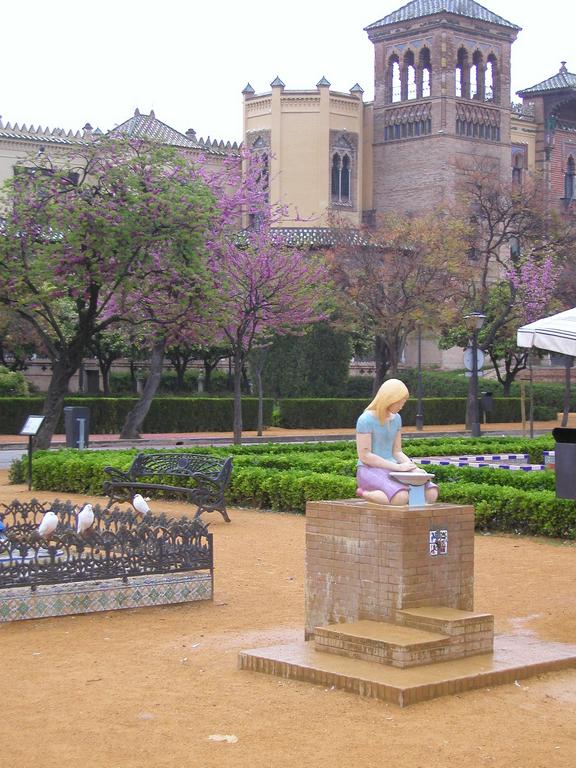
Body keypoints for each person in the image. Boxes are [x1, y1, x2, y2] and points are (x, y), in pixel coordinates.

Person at [356, 378, 438, 505]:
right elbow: (365, 456)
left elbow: (397, 451)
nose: (401, 406)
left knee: (431, 494)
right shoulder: (365, 420)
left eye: (403, 403)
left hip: (394, 467)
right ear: (389, 399)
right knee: (400, 497)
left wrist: (412, 467)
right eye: (399, 402)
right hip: (370, 469)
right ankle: (365, 493)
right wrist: (398, 467)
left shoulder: (396, 419)